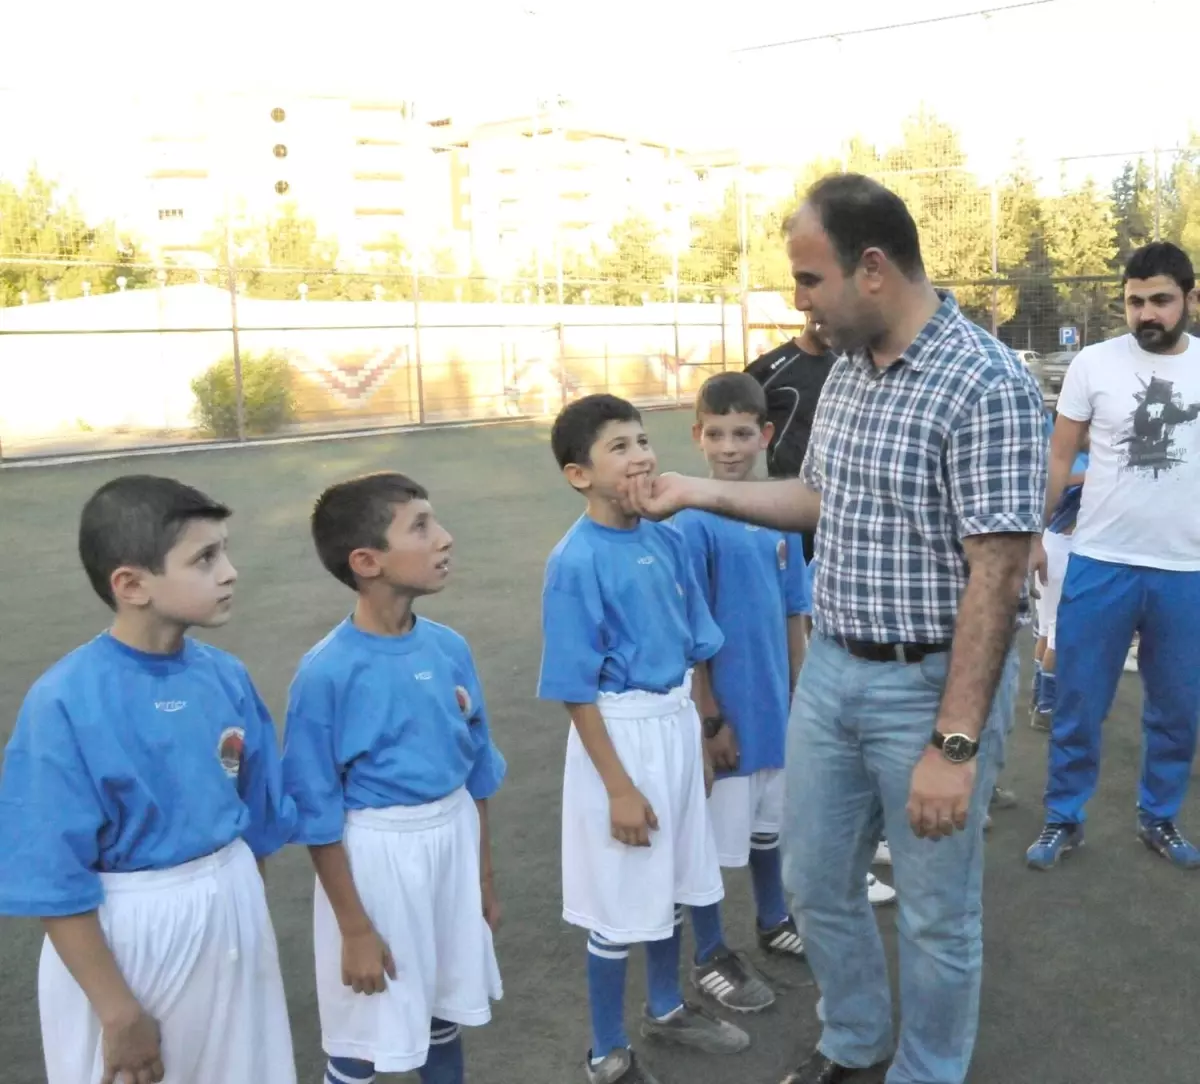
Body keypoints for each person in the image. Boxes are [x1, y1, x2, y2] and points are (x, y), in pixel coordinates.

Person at [628, 173, 1045, 1084]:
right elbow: (821, 497)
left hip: (929, 689)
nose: (797, 298)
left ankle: (926, 1071)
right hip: (830, 678)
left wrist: (956, 742)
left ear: (871, 269)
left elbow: (999, 574)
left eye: (808, 278)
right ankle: (854, 1041)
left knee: (937, 913)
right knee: (818, 886)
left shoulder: (987, 383)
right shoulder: (847, 374)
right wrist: (698, 490)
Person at [0, 475, 298, 1084]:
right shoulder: (64, 700)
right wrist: (117, 1011)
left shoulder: (226, 677)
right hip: (128, 938)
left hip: (231, 912)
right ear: (131, 584)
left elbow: (256, 818)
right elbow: (53, 874)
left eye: (225, 551)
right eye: (205, 558)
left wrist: (235, 905)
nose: (230, 571)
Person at [538, 393, 750, 1084]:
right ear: (579, 475)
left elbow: (693, 647)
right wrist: (620, 787)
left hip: (674, 724)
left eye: (643, 440)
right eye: (620, 447)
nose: (642, 456)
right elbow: (575, 690)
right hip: (621, 736)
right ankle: (605, 1051)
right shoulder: (575, 561)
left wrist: (700, 734)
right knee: (622, 900)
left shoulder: (666, 535)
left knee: (677, 880)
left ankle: (665, 1006)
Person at [281, 472, 506, 1084]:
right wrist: (355, 928)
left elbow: (477, 770)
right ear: (367, 561)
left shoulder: (449, 647)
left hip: (451, 846)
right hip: (379, 864)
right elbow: (315, 812)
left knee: (442, 1016)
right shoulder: (327, 673)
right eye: (421, 527)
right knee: (367, 1038)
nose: (445, 538)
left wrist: (482, 877)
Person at [1026, 241, 1200, 871]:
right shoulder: (1093, 365)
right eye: (1134, 301)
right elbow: (1057, 456)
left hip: (1186, 570)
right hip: (1101, 560)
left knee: (1177, 709)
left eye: (1160, 300)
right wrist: (1036, 533)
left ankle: (1159, 818)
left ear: (1189, 299)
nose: (1146, 313)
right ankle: (1062, 818)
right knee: (1078, 700)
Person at [672, 371, 813, 1014]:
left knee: (768, 826)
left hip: (774, 707)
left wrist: (801, 701)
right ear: (697, 435)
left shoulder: (779, 514)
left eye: (742, 433)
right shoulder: (689, 524)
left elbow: (794, 616)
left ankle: (773, 918)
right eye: (716, 433)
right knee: (710, 841)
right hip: (725, 714)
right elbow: (690, 633)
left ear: (766, 433)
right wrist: (709, 717)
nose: (730, 447)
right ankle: (707, 951)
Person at [745, 315, 839, 564]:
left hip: (831, 502)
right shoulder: (770, 367)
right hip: (787, 501)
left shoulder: (845, 368)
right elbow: (736, 420)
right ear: (810, 314)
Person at [1029, 416, 1089, 732]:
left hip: (1051, 544)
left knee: (1047, 628)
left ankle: (1039, 697)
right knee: (1057, 632)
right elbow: (1064, 483)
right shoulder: (1072, 461)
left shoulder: (1060, 455)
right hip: (1064, 547)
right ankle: (1047, 708)